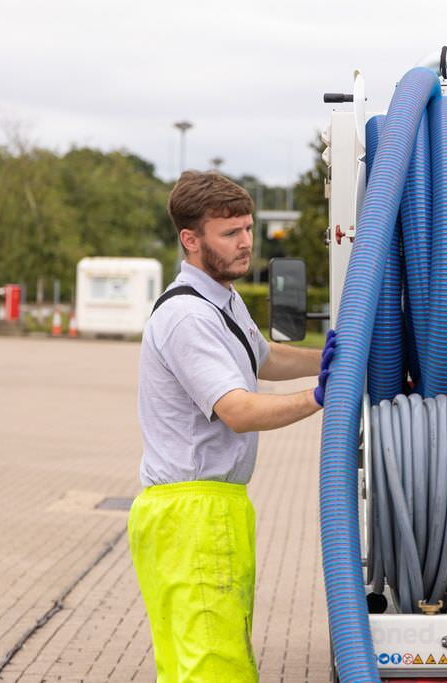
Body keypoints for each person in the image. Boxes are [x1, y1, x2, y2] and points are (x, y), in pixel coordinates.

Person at [129, 171, 334, 682]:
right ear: (191, 240)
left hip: (203, 510)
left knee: (190, 663)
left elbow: (261, 357)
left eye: (248, 228)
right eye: (230, 233)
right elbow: (238, 410)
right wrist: (321, 396)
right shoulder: (188, 318)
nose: (246, 243)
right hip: (193, 513)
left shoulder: (220, 299)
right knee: (216, 667)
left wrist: (329, 357)